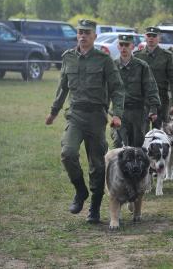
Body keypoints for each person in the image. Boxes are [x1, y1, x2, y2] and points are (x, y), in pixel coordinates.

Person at [45, 19, 125, 223]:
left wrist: (117, 114)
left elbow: (117, 88)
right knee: (68, 153)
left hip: (97, 117)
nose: (83, 36)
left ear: (94, 36)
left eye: (87, 33)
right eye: (80, 32)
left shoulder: (104, 60)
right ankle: (80, 191)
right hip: (76, 115)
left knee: (97, 165)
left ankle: (94, 209)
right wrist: (54, 112)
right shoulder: (68, 58)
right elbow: (63, 87)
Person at [112, 34, 160, 148]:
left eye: (126, 45)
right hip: (120, 111)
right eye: (121, 45)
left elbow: (151, 87)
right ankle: (121, 166)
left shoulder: (142, 66)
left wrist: (153, 108)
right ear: (118, 47)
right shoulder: (113, 66)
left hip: (138, 112)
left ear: (132, 46)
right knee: (119, 143)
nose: (123, 48)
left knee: (138, 144)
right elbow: (105, 88)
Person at [134, 27, 173, 129]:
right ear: (145, 37)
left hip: (161, 99)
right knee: (142, 133)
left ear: (159, 38)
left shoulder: (167, 56)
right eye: (149, 35)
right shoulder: (137, 56)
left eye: (154, 36)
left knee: (160, 133)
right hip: (142, 100)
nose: (151, 38)